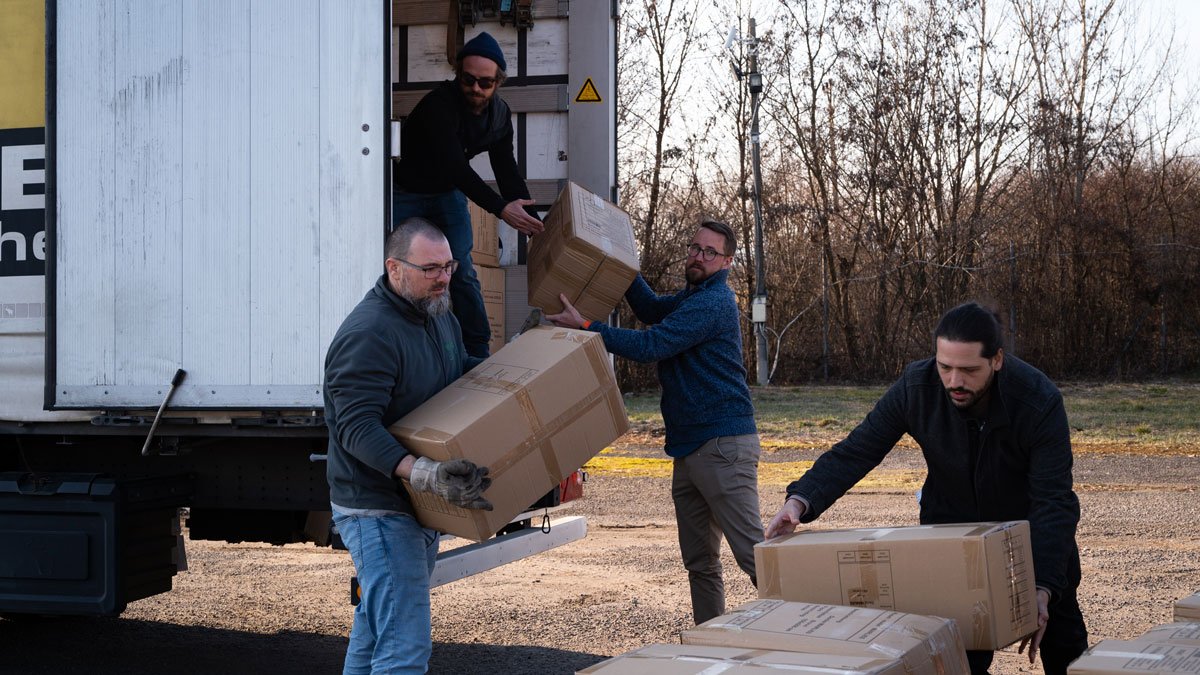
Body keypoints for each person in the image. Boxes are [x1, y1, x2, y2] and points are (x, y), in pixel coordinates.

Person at [764, 301, 1088, 675]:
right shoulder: (916, 385)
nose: (953, 381)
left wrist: (1044, 585)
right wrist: (800, 500)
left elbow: (1053, 499)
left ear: (997, 360)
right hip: (951, 538)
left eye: (968, 370)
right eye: (945, 367)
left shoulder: (1038, 400)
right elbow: (857, 450)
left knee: (1066, 649)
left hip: (1033, 534)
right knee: (957, 658)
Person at [546, 220, 763, 625]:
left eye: (709, 252)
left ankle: (803, 644)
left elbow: (652, 344)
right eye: (694, 247)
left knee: (757, 561)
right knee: (700, 564)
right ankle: (709, 649)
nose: (698, 256)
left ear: (728, 262)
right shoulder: (691, 296)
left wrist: (588, 327)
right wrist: (621, 263)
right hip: (691, 448)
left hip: (723, 447)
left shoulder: (713, 303)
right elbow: (647, 309)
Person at [324, 217, 494, 674]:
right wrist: (423, 472)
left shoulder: (438, 317)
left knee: (378, 632)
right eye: (430, 268)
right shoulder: (370, 333)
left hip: (413, 503)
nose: (443, 278)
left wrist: (525, 358)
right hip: (377, 507)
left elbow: (459, 369)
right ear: (394, 268)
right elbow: (355, 427)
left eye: (448, 266)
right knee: (404, 649)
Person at [393, 31, 544, 359]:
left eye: (485, 83)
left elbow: (506, 170)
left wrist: (531, 219)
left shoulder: (500, 117)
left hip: (446, 194)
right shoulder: (439, 105)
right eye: (468, 79)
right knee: (401, 269)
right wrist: (501, 209)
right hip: (407, 193)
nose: (475, 88)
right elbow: (456, 168)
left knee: (459, 268)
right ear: (458, 75)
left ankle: (477, 352)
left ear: (497, 83)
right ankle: (405, 347)